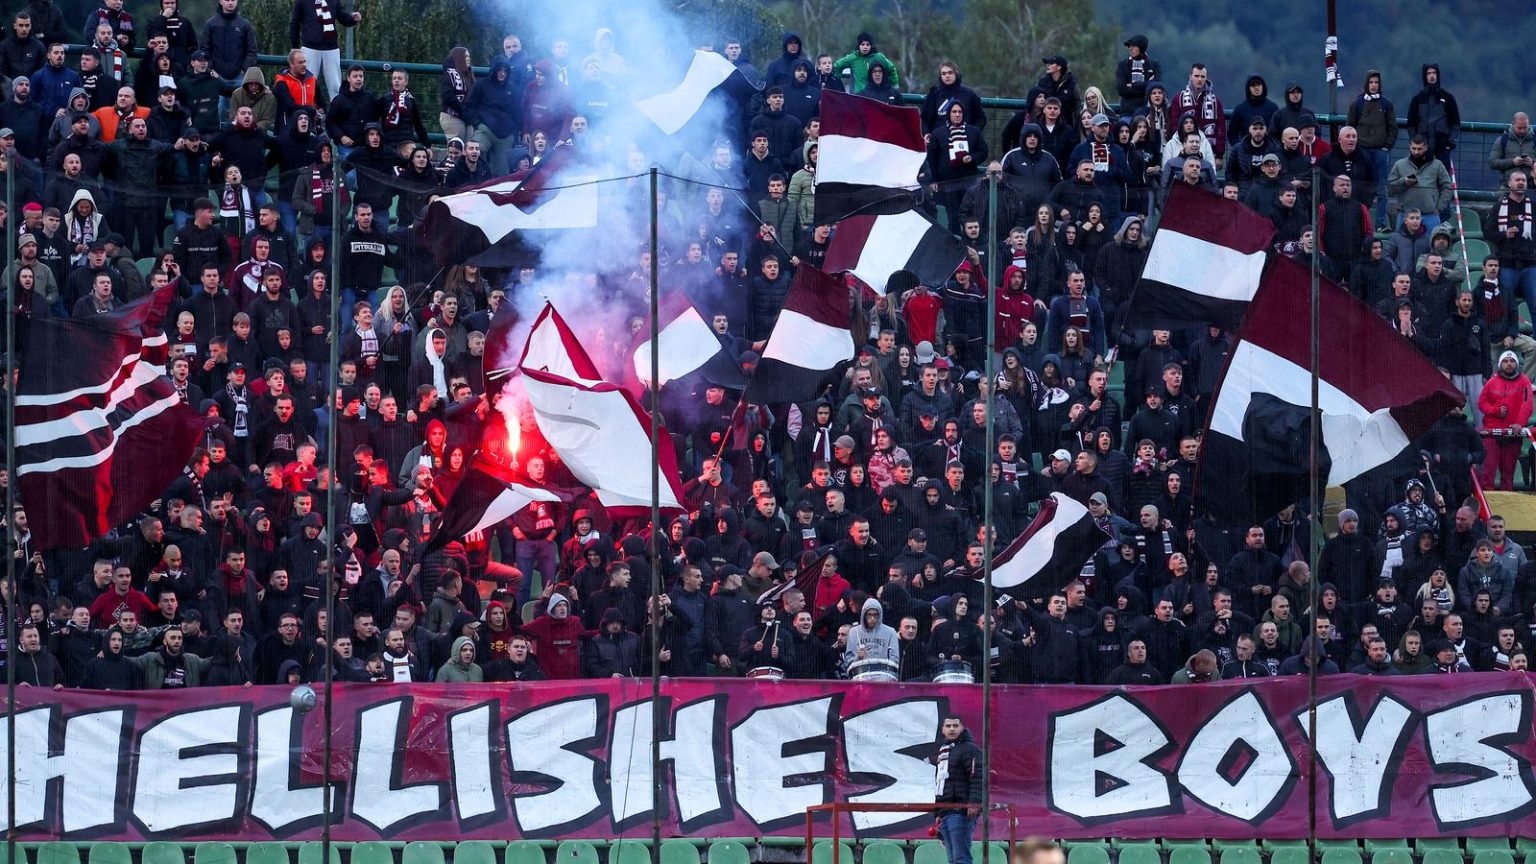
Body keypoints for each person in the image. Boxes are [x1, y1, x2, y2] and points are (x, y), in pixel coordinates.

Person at [932, 714, 982, 864]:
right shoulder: (944, 751)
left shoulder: (969, 749)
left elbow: (978, 776)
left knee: (961, 858)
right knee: (953, 859)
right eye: (948, 726)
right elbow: (940, 782)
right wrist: (937, 811)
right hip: (946, 811)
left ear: (962, 727)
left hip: (960, 811)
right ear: (942, 729)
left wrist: (974, 802)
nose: (952, 729)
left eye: (955, 725)